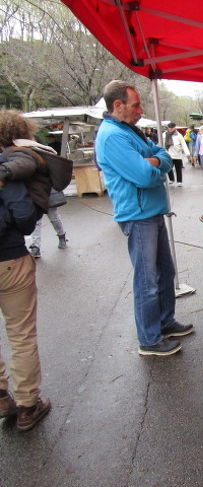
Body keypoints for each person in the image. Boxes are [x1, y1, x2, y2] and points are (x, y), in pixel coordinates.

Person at [94, 80, 194, 357]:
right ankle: (149, 339)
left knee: (165, 273)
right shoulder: (113, 136)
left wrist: (154, 160)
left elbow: (161, 154)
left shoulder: (128, 131)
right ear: (118, 105)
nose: (141, 109)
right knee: (147, 281)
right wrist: (151, 163)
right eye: (136, 104)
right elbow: (143, 176)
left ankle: (165, 322)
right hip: (138, 216)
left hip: (151, 212)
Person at [0, 113, 52, 432]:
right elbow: (23, 215)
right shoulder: (12, 166)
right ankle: (27, 405)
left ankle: (1, 399)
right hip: (10, 259)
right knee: (21, 334)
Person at [162, 122, 190, 187]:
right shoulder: (164, 134)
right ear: (168, 128)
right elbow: (161, 143)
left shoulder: (178, 135)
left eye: (172, 128)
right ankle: (171, 179)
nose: (171, 129)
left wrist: (187, 153)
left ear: (175, 127)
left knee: (178, 168)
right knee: (169, 167)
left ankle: (179, 181)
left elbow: (183, 144)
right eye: (170, 128)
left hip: (177, 154)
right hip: (168, 153)